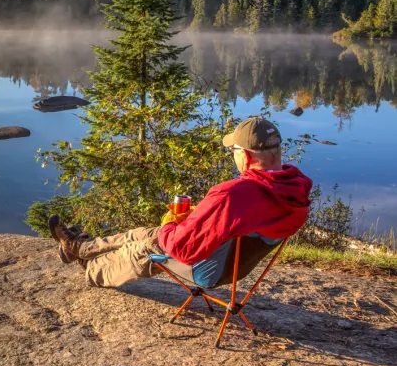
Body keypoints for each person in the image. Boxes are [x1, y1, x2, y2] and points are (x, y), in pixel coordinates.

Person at [47, 116, 312, 288]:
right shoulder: (294, 189)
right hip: (233, 266)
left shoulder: (233, 194)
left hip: (208, 269)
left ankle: (91, 268)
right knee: (148, 233)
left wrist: (172, 225)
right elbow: (241, 221)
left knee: (146, 246)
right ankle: (78, 247)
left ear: (246, 155)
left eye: (233, 151)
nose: (232, 156)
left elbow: (183, 250)